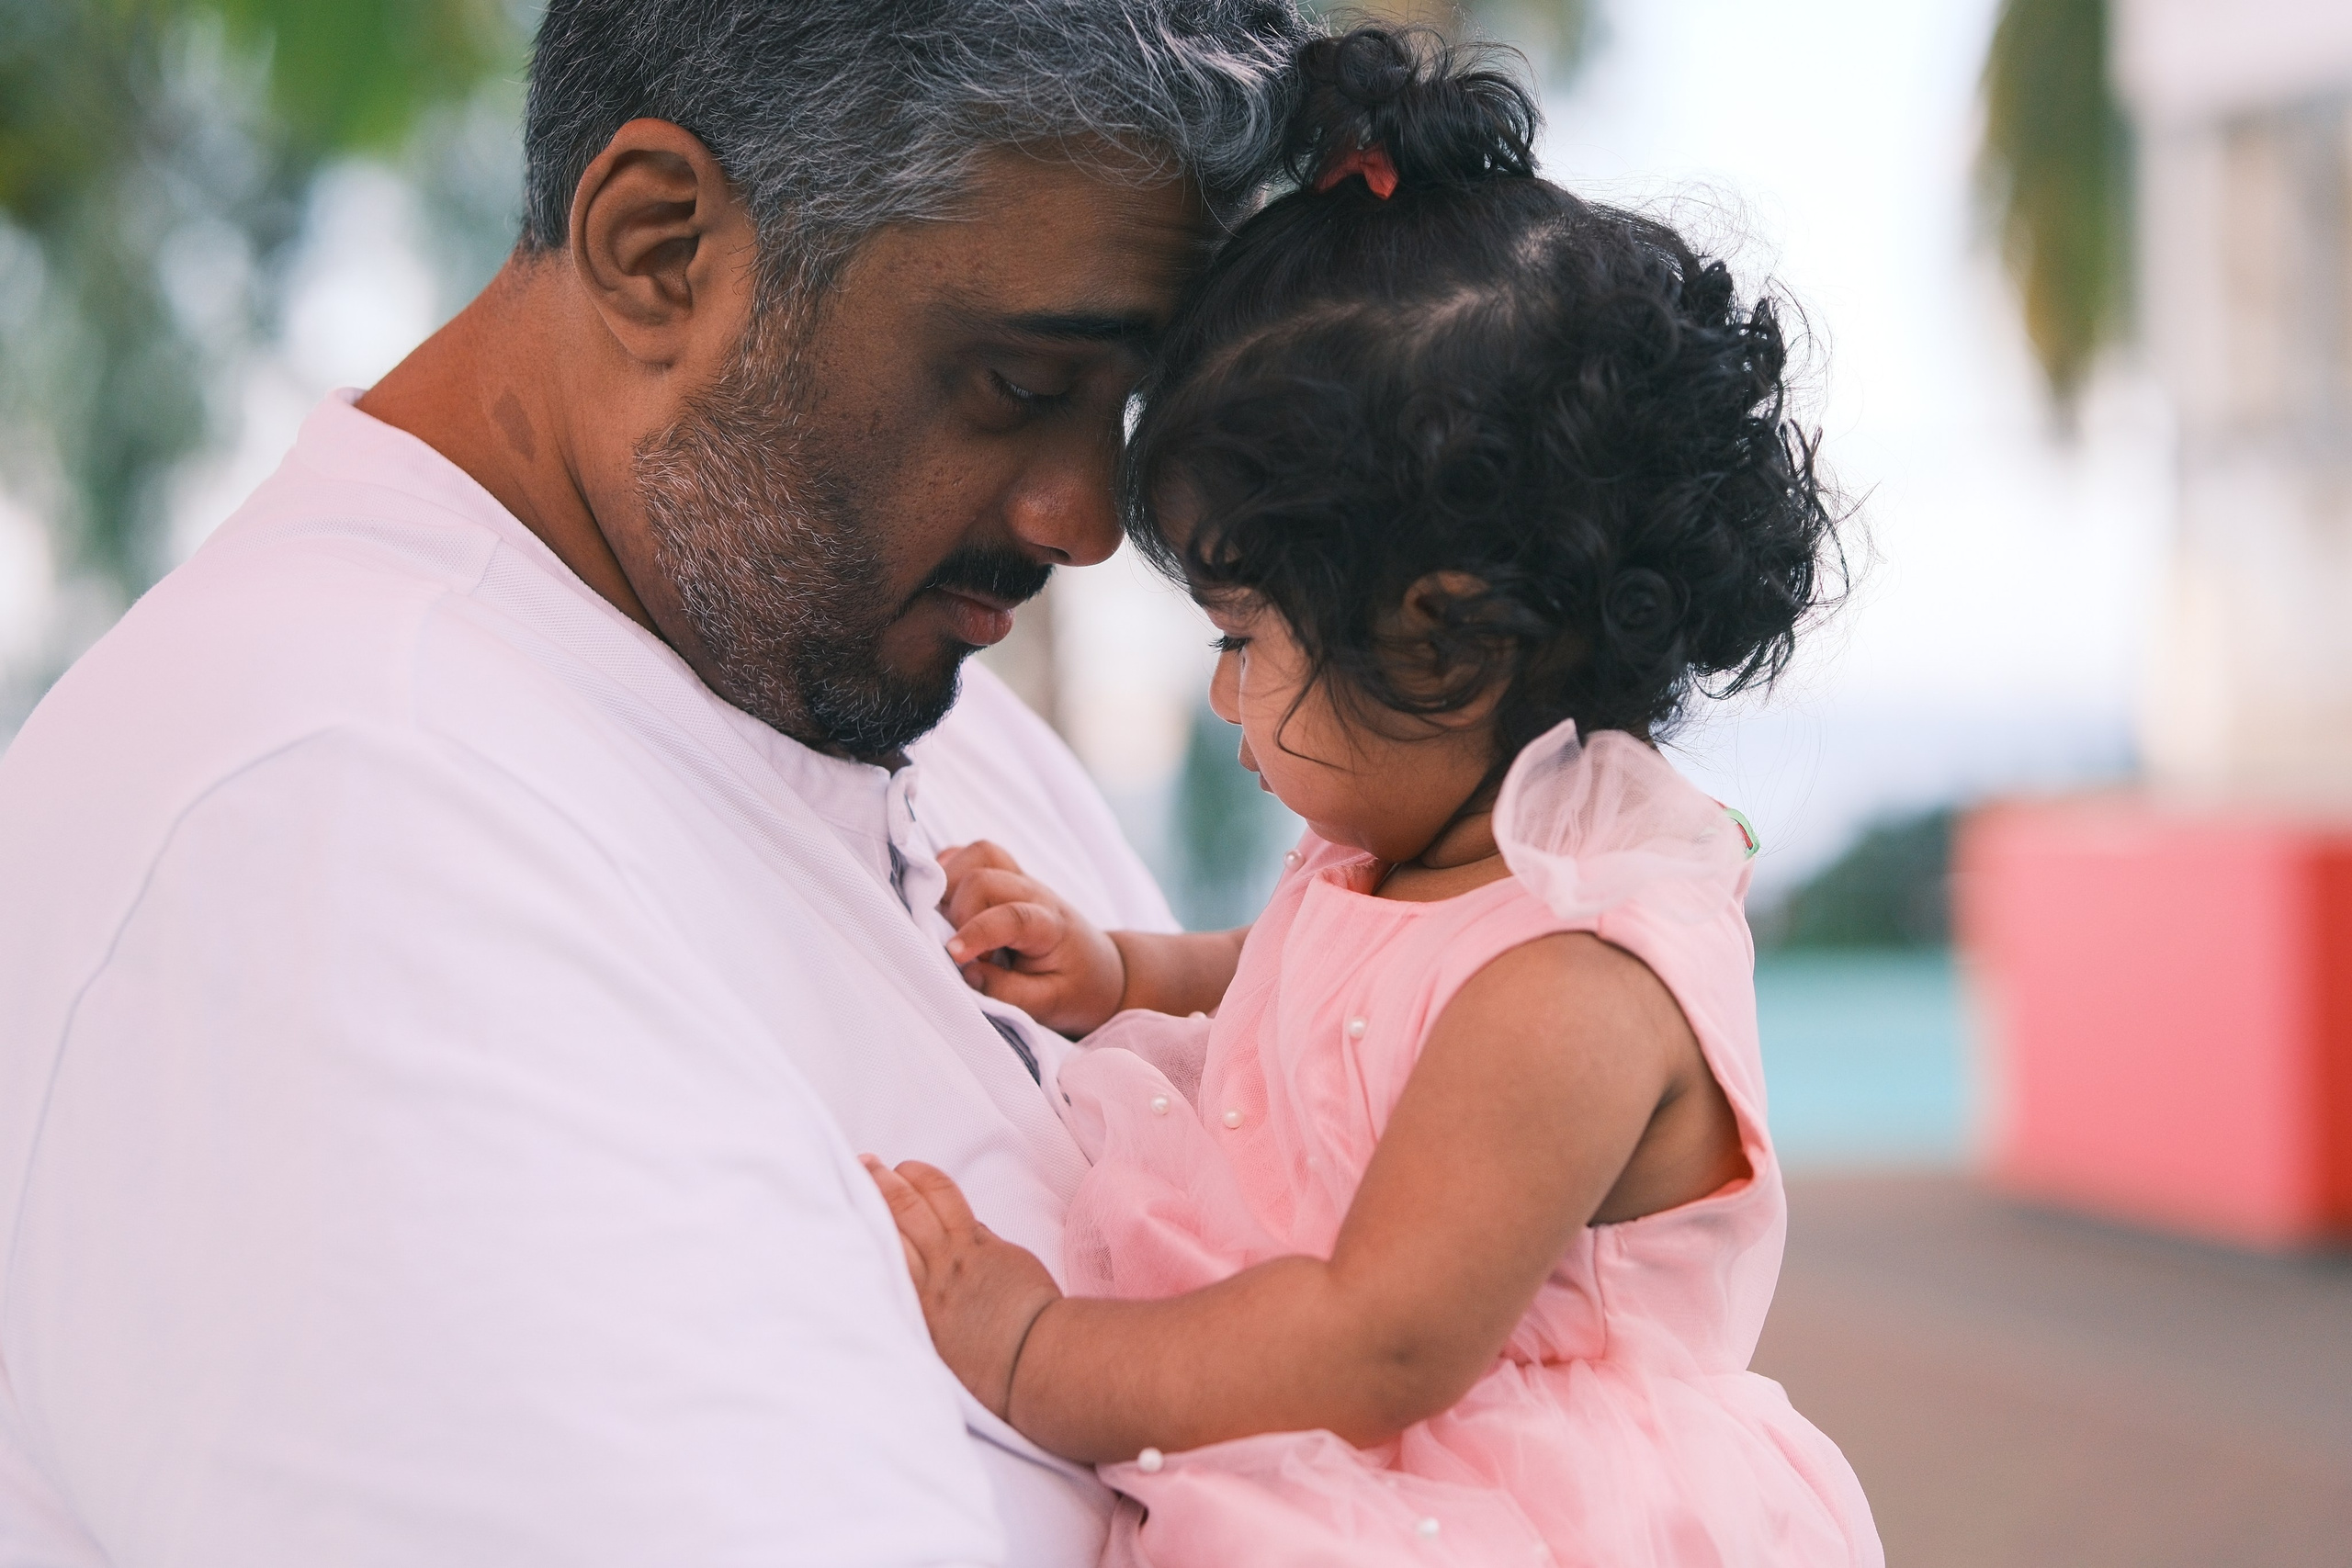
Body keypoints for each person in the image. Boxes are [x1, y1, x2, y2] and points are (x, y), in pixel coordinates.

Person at [0, 3, 1318, 1563]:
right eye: (1021, 384)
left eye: (1124, 410)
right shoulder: (327, 834)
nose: (1084, 517)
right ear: (657, 248)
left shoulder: (906, 708)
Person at [866, 28, 1884, 1568]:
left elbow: (1378, 1340)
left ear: (1443, 629)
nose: (1221, 696)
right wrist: (1127, 973)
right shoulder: (1404, 856)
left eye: (1242, 637)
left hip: (1494, 1506)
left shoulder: (1575, 987)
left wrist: (1036, 1358)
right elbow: (1318, 986)